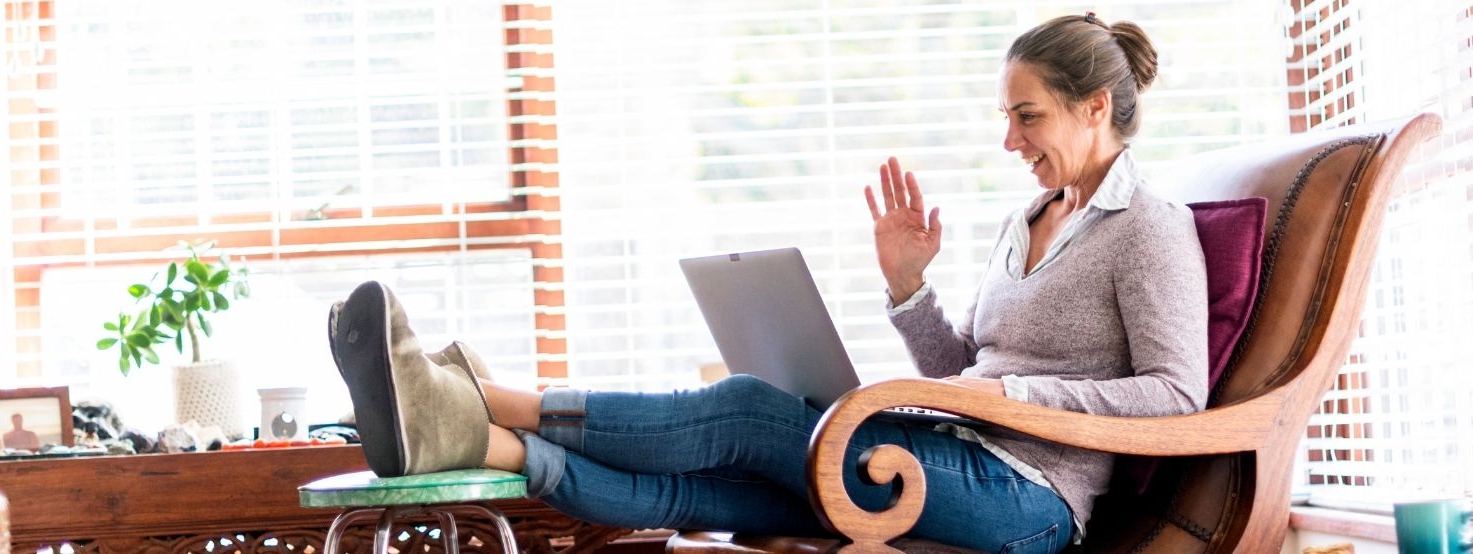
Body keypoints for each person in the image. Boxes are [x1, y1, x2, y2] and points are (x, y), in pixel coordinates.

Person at [326, 13, 1205, 552]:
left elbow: (1176, 398)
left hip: (1028, 501)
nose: (1010, 140)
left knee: (746, 410)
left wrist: (1010, 393)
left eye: (1028, 116)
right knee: (710, 492)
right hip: (949, 454)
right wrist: (909, 290)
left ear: (1096, 108)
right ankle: (477, 442)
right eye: (1006, 117)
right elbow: (959, 371)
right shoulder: (1028, 221)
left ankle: (484, 397)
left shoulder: (1149, 228)